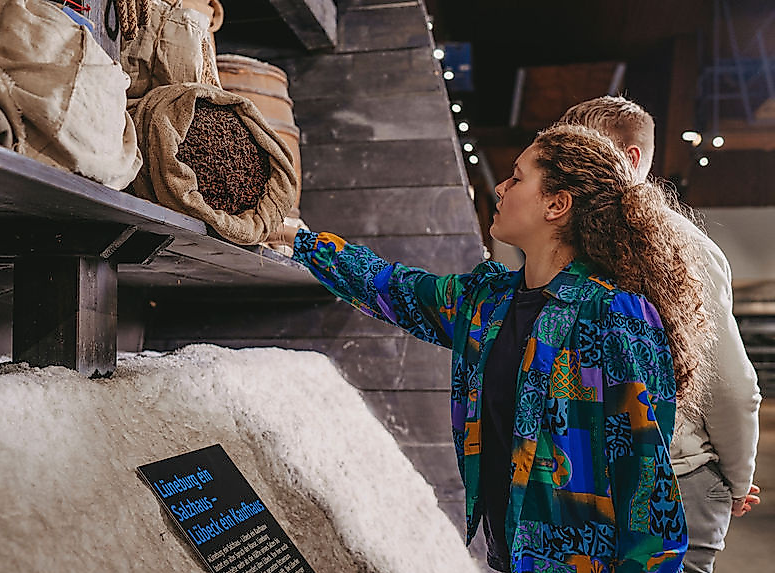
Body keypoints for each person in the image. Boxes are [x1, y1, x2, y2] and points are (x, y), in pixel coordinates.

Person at [280, 123, 712, 572]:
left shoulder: (615, 316)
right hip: (508, 558)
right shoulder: (488, 301)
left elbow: (648, 492)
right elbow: (398, 289)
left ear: (556, 204)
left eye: (518, 177)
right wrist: (302, 243)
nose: (501, 188)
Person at [558, 96, 762, 573]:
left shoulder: (683, 248)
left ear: (630, 160)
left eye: (585, 154)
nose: (570, 171)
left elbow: (730, 387)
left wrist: (735, 480)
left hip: (675, 479)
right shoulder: (568, 246)